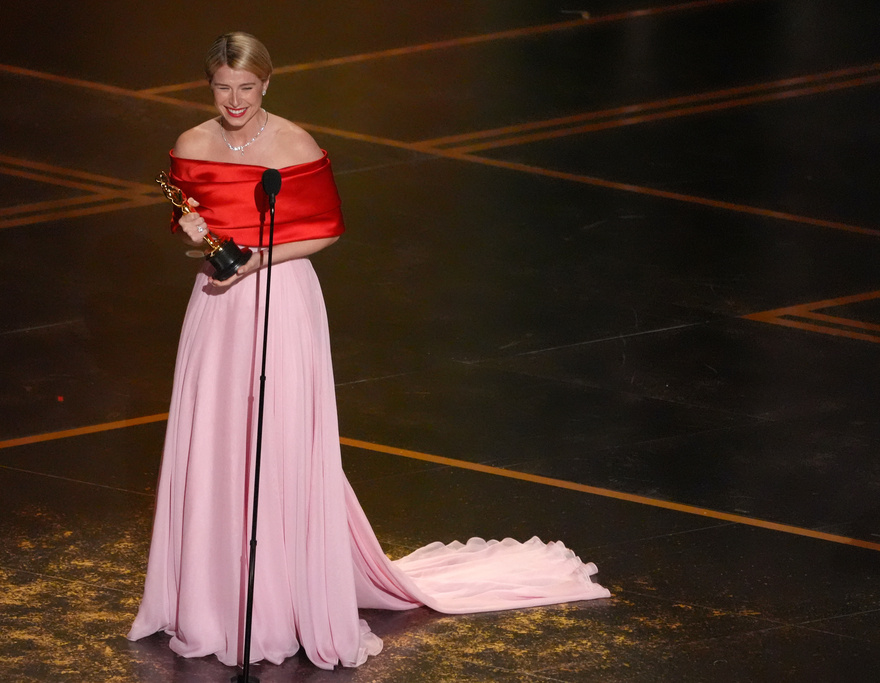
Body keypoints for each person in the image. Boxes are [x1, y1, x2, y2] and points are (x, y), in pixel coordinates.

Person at [127, 32, 610, 671]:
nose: (236, 100)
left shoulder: (295, 145)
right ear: (209, 85)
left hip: (280, 296)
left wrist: (255, 263)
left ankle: (280, 597)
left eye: (247, 88)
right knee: (216, 437)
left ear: (266, 84)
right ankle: (212, 600)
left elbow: (325, 229)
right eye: (224, 88)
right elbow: (193, 216)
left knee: (280, 438)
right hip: (216, 305)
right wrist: (191, 230)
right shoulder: (191, 144)